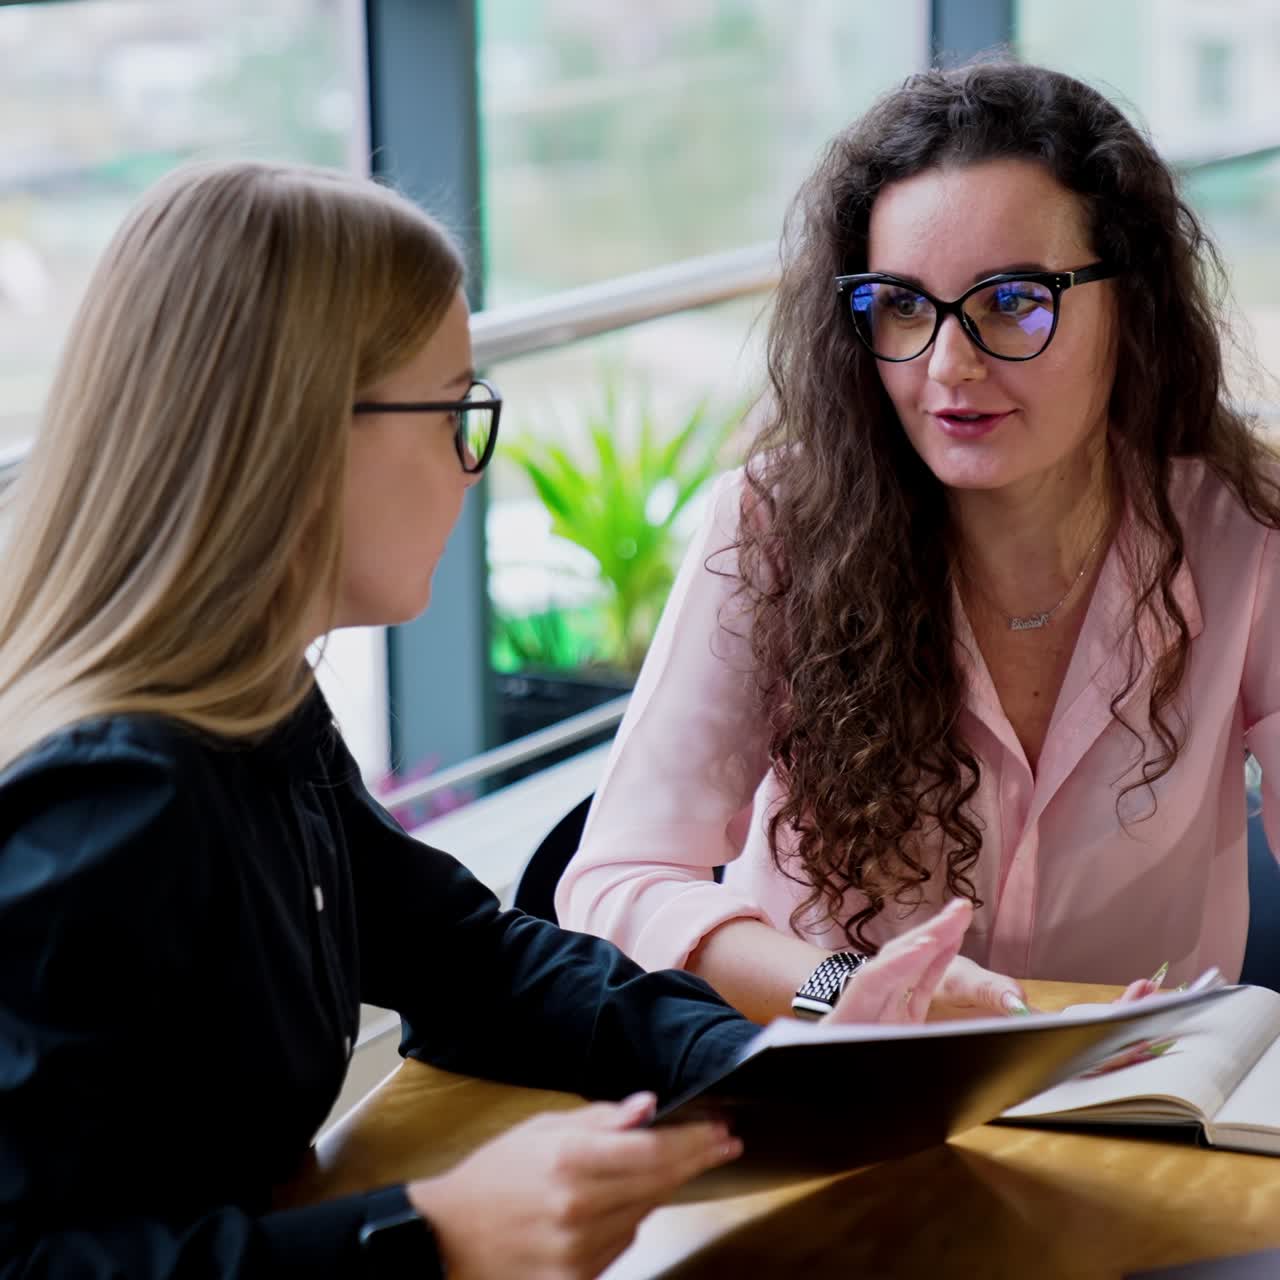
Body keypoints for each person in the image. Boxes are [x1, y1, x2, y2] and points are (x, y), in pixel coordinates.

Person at [0, 161, 985, 1280]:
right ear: (297, 433)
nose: (473, 468)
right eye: (458, 409)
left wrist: (771, 1064)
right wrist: (434, 1234)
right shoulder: (110, 802)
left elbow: (471, 965)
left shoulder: (253, 710)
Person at [557, 59, 1280, 1026]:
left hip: (1131, 1114)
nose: (948, 365)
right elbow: (619, 880)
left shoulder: (1246, 523)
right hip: (839, 1090)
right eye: (902, 305)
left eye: (1013, 301)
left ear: (1133, 301)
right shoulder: (772, 527)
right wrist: (839, 988)